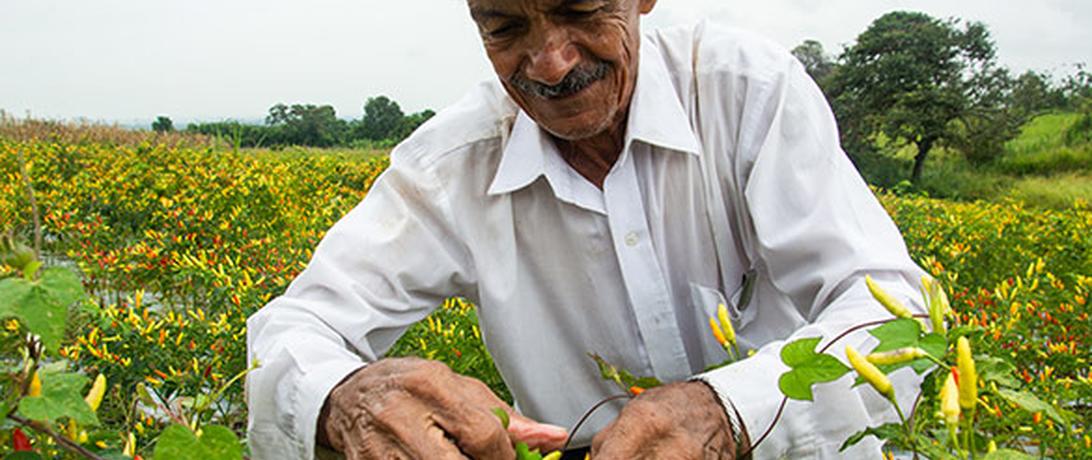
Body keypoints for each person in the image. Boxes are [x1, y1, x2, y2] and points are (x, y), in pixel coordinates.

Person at [246, 0, 927, 458]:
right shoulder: (451, 165)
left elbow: (893, 312)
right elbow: (295, 327)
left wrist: (731, 412)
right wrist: (345, 396)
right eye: (505, 27)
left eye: (577, 10)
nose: (550, 63)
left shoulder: (746, 91)